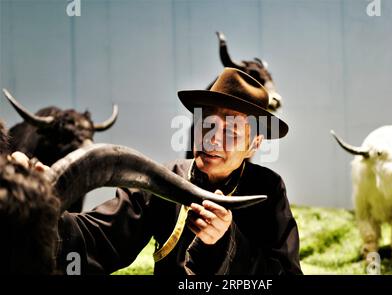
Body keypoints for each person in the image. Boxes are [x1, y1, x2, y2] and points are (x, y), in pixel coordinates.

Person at [56, 67, 302, 275]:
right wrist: (39, 207)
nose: (212, 140)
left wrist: (225, 243)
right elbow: (100, 238)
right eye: (206, 125)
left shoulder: (268, 190)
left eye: (230, 132)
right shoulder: (168, 178)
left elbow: (283, 272)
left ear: (254, 144)